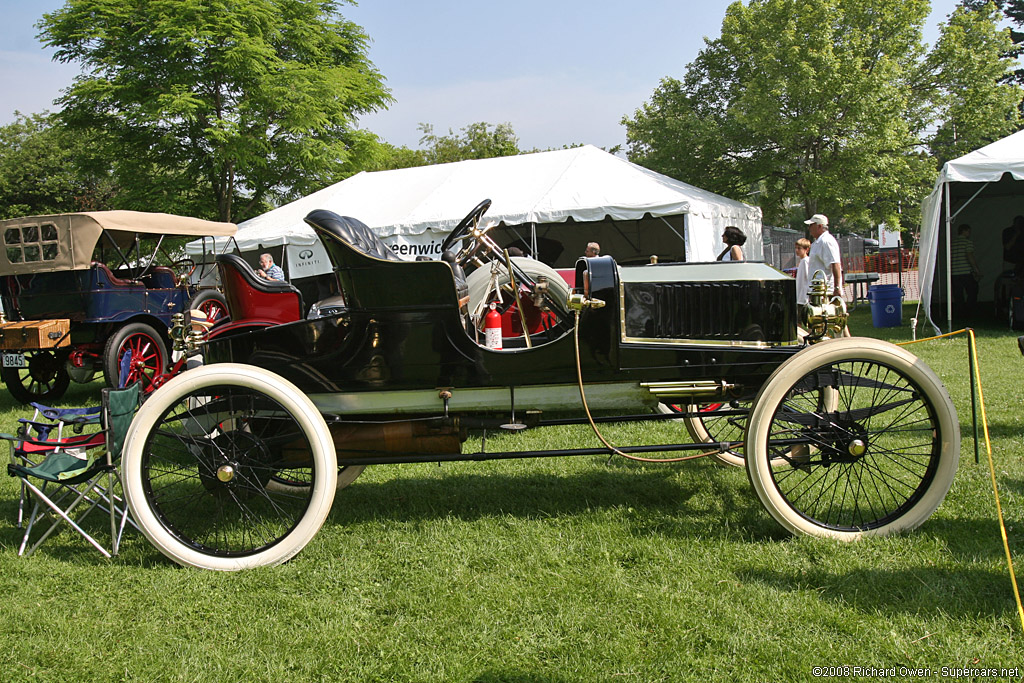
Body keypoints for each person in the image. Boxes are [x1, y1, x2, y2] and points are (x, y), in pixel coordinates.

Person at [804, 214, 843, 300]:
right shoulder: (817, 242)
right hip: (817, 290)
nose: (809, 228)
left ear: (820, 226)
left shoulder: (827, 241)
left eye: (811, 225)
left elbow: (835, 264)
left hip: (826, 291)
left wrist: (837, 288)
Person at [950, 223, 980, 314]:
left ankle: (960, 311)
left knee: (958, 294)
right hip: (966, 271)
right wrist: (976, 269)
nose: (969, 233)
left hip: (954, 272)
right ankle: (970, 309)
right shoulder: (968, 242)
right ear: (964, 231)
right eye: (968, 231)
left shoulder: (952, 243)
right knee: (973, 290)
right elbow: (969, 255)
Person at [794, 237, 811, 306]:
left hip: (804, 298)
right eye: (796, 248)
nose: (796, 250)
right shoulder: (802, 261)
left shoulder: (805, 261)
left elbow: (808, 278)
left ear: (806, 249)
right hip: (800, 296)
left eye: (799, 248)